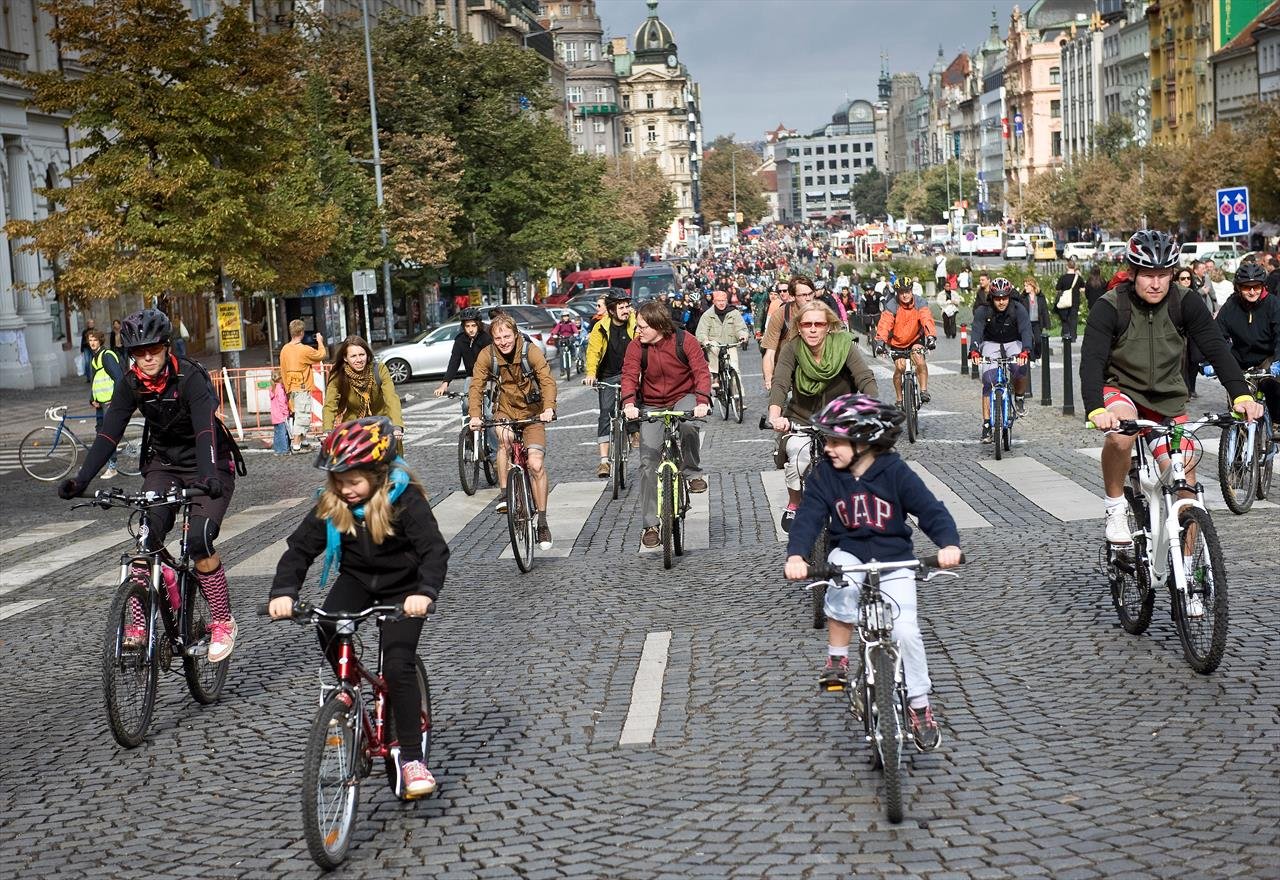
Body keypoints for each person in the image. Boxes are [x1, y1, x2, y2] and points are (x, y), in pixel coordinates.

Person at [268, 417, 447, 799]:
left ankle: (413, 759)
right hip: (358, 581)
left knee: (397, 665)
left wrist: (426, 592)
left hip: (404, 587)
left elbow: (434, 550)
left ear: (379, 475)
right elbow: (299, 550)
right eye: (339, 481)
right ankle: (348, 690)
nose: (346, 490)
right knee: (327, 623)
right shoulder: (332, 501)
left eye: (354, 481)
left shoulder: (405, 498)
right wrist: (283, 591)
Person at [58, 308, 245, 662]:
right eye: (139, 352)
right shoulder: (130, 383)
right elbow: (109, 431)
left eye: (153, 350)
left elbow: (206, 428)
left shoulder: (190, 377)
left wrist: (207, 476)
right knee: (146, 539)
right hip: (164, 465)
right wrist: (81, 479)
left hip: (211, 463)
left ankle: (222, 620)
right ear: (131, 354)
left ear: (166, 347)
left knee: (199, 540)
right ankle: (141, 623)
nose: (147, 358)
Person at [782, 393, 961, 750]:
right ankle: (838, 657)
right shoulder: (824, 477)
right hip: (850, 553)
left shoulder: (894, 472)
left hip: (896, 561)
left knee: (907, 632)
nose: (828, 448)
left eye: (835, 441)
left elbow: (930, 510)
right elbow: (808, 519)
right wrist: (797, 555)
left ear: (863, 443)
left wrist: (948, 544)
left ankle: (920, 707)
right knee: (842, 581)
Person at [1080, 230, 1261, 547]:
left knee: (1185, 481)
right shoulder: (1110, 306)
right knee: (1121, 435)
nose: (1156, 283)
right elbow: (1092, 361)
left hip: (1168, 400)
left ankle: (1190, 575)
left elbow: (1217, 349)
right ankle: (1115, 508)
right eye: (1148, 275)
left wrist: (1241, 394)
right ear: (1133, 273)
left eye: (1164, 275)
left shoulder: (1185, 302)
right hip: (1122, 390)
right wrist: (1096, 408)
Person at [767, 302, 878, 531]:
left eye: (819, 324)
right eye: (807, 324)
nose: (813, 329)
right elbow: (780, 382)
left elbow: (864, 378)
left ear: (829, 326)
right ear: (799, 327)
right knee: (797, 455)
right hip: (802, 417)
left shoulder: (844, 345)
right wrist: (775, 415)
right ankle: (795, 502)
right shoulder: (792, 348)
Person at [621, 301, 712, 549]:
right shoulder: (635, 346)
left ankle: (692, 472)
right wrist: (629, 403)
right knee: (647, 461)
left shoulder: (686, 340)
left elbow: (701, 372)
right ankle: (650, 525)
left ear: (659, 325)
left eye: (642, 326)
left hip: (684, 395)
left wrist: (702, 400)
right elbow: (629, 376)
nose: (638, 331)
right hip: (652, 403)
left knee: (689, 425)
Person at [468, 313, 557, 548]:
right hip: (505, 410)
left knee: (536, 464)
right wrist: (475, 416)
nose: (503, 341)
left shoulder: (531, 351)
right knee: (504, 440)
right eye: (498, 338)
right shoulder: (487, 355)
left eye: (507, 336)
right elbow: (476, 386)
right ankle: (506, 492)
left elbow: (547, 380)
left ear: (515, 334)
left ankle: (543, 522)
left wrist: (549, 408)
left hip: (533, 414)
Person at [1214, 261, 1280, 435]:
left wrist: (1278, 360)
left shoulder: (1273, 304)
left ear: (1263, 285)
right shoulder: (1231, 305)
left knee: (1272, 385)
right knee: (1238, 400)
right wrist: (1209, 359)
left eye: (1256, 286)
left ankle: (1277, 422)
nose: (1252, 291)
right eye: (1246, 287)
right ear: (1238, 288)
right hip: (1240, 358)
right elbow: (1217, 334)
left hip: (1267, 358)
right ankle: (1236, 447)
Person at [583, 290, 638, 478]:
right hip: (607, 375)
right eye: (621, 307)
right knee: (605, 414)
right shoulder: (600, 327)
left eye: (627, 306)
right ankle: (604, 461)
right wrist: (591, 373)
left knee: (634, 406)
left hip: (630, 374)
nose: (626, 310)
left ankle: (634, 431)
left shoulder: (636, 323)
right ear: (612, 310)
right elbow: (593, 352)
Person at [969, 278, 1032, 439]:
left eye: (1004, 297)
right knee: (988, 380)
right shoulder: (983, 310)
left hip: (1013, 342)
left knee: (1020, 368)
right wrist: (974, 350)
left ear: (1009, 296)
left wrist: (1025, 350)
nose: (1001, 301)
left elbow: (1026, 329)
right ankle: (986, 424)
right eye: (997, 298)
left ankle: (1019, 397)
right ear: (992, 297)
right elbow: (976, 330)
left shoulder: (1018, 309)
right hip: (991, 342)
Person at [322, 334, 404, 444]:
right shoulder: (338, 375)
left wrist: (397, 426)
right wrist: (328, 431)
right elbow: (330, 405)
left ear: (367, 355)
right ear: (345, 358)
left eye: (362, 354)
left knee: (393, 450)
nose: (359, 359)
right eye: (353, 356)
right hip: (354, 424)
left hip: (381, 421)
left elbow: (391, 398)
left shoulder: (379, 369)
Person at [874, 278, 937, 406]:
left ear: (911, 291)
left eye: (907, 291)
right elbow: (885, 324)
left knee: (919, 359)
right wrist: (880, 342)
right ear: (897, 293)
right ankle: (899, 399)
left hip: (915, 338)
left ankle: (924, 391)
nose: (905, 295)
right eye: (901, 292)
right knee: (900, 368)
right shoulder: (892, 305)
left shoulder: (920, 302)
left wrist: (931, 337)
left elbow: (926, 319)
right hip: (897, 342)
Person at [761, 276, 818, 391]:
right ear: (793, 297)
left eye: (810, 294)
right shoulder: (781, 315)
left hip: (813, 365)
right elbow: (770, 353)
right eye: (803, 295)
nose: (808, 298)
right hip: (785, 366)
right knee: (779, 400)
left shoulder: (822, 312)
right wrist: (768, 378)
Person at [281, 319, 326, 454]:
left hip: (291, 386)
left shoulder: (285, 349)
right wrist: (320, 341)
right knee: (303, 415)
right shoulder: (304, 350)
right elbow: (321, 355)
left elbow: (283, 369)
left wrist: (286, 387)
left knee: (298, 413)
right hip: (302, 386)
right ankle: (296, 445)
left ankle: (304, 441)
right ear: (301, 332)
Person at [695, 288, 749, 390]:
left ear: (726, 301)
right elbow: (701, 332)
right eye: (718, 301)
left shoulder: (734, 313)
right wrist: (705, 340)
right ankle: (715, 375)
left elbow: (740, 328)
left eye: (723, 301)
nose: (721, 303)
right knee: (713, 348)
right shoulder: (707, 315)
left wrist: (742, 335)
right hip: (714, 343)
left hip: (730, 343)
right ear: (714, 302)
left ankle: (738, 396)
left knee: (735, 369)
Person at [87, 329, 123, 478]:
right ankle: (105, 463)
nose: (92, 343)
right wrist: (92, 398)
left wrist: (113, 399)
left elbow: (118, 378)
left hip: (109, 403)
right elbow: (96, 381)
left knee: (108, 434)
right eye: (90, 340)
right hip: (100, 403)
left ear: (100, 340)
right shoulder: (95, 358)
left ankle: (113, 467)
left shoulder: (106, 356)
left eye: (95, 340)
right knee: (101, 434)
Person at [1054, 259, 1085, 341]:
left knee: (1065, 319)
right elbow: (1083, 288)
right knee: (1074, 319)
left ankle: (1066, 335)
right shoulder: (1078, 278)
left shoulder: (1063, 278)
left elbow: (1057, 289)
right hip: (1075, 301)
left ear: (1067, 267)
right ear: (1074, 267)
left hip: (1064, 301)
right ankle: (1073, 336)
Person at [1021, 276, 1050, 361]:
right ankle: (1032, 359)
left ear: (1032, 286)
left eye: (1027, 286)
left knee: (1038, 341)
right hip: (1027, 323)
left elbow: (1044, 310)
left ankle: (1038, 356)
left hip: (1037, 323)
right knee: (1029, 341)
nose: (1025, 288)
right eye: (1024, 286)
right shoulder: (1023, 297)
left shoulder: (1040, 297)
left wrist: (1046, 323)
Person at [269, 369, 290, 456]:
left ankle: (277, 450)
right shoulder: (280, 389)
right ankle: (284, 450)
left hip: (274, 416)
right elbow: (282, 403)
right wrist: (286, 413)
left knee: (277, 433)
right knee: (283, 433)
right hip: (281, 415)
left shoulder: (272, 388)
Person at [79, 317, 96, 383]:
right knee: (87, 362)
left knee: (94, 363)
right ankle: (88, 377)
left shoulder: (95, 331)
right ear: (88, 324)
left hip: (93, 348)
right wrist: (81, 349)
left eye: (92, 323)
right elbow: (82, 340)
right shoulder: (85, 331)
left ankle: (94, 376)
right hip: (86, 348)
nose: (91, 324)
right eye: (90, 323)